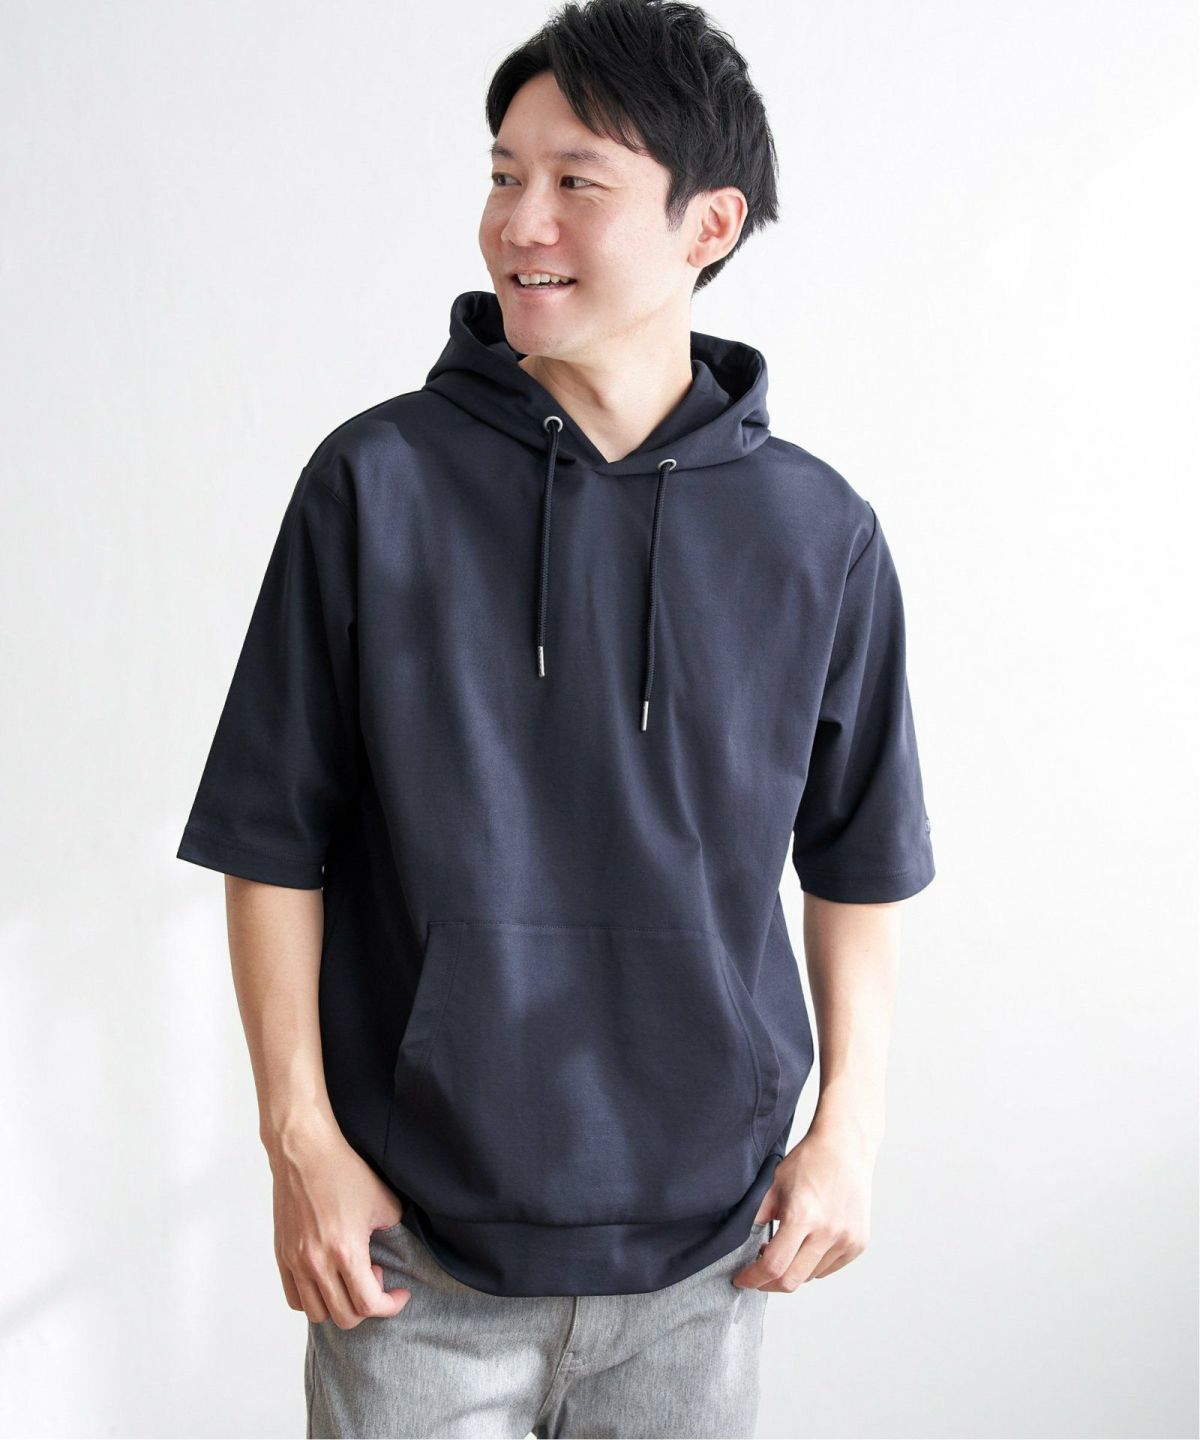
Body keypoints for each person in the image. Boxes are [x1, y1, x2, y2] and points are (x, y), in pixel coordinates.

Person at [176, 1, 936, 1434]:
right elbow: (269, 841)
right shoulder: (375, 485)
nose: (519, 222)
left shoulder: (816, 534)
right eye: (502, 175)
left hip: (709, 1259)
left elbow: (860, 862)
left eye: (576, 181)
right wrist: (300, 1145)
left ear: (708, 224)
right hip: (412, 1260)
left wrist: (850, 1130)